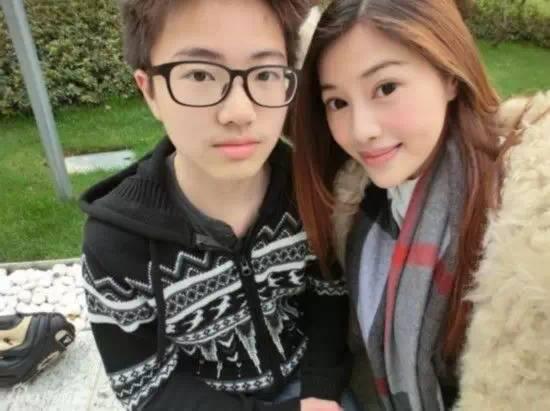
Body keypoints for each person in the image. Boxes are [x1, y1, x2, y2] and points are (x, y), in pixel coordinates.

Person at [79, 1, 352, 410]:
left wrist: (320, 392)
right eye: (200, 74)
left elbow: (328, 297)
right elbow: (145, 386)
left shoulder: (309, 190)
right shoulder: (117, 244)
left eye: (265, 73)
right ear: (149, 91)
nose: (239, 112)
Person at [290, 0, 550, 410]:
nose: (362, 130)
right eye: (337, 102)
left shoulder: (530, 223)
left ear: (450, 76)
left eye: (386, 88)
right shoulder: (358, 207)